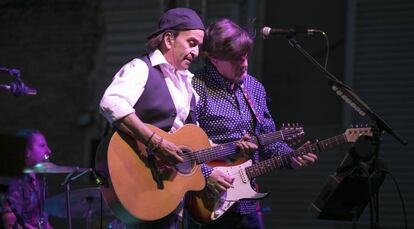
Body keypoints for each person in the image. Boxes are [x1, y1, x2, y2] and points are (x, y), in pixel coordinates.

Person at [99, 8, 256, 229]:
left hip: (168, 190)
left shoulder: (187, 84)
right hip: (137, 178)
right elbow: (111, 103)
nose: (195, 51)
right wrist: (156, 142)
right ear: (169, 39)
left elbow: (193, 141)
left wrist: (232, 149)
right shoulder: (140, 68)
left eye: (199, 46)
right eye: (191, 42)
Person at [186, 19, 318, 228]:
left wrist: (291, 157)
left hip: (247, 203)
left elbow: (269, 140)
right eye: (235, 59)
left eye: (245, 56)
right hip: (206, 202)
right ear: (213, 59)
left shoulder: (254, 87)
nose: (244, 64)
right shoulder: (195, 87)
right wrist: (207, 174)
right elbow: (183, 150)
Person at [1, 129, 53, 229]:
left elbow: (43, 222)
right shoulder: (12, 182)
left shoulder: (40, 181)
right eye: (42, 146)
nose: (49, 151)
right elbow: (10, 224)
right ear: (26, 151)